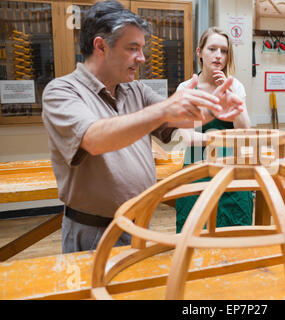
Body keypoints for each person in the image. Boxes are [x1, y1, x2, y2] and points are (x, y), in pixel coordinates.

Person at [41, 1, 244, 253]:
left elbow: (177, 117)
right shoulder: (62, 92)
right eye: (133, 48)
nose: (142, 58)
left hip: (138, 223)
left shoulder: (134, 90)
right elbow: (93, 138)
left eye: (142, 49)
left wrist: (213, 106)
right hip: (94, 231)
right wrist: (164, 109)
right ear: (101, 46)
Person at [175, 27, 253, 233]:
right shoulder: (185, 88)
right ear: (199, 52)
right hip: (196, 165)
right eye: (212, 49)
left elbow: (245, 131)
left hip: (232, 168)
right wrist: (226, 138)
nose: (219, 55)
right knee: (193, 231)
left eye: (224, 51)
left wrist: (230, 96)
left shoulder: (235, 86)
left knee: (235, 231)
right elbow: (189, 138)